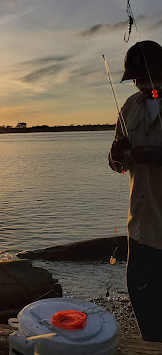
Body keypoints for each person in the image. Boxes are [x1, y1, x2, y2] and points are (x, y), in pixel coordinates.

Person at [109, 40, 162, 342]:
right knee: (144, 307)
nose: (139, 83)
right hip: (140, 228)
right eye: (135, 78)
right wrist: (117, 155)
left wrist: (157, 156)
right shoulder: (130, 106)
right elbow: (117, 164)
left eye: (144, 76)